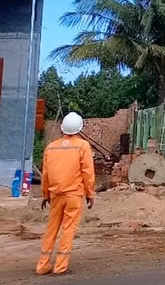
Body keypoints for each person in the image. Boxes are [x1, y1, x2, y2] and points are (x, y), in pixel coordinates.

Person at [37, 112, 95, 276]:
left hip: (56, 195)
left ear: (62, 128)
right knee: (68, 229)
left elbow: (46, 174)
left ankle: (42, 266)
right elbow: (87, 173)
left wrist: (45, 195)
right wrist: (90, 194)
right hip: (74, 196)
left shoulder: (51, 147)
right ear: (79, 128)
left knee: (51, 229)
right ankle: (60, 266)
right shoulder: (82, 146)